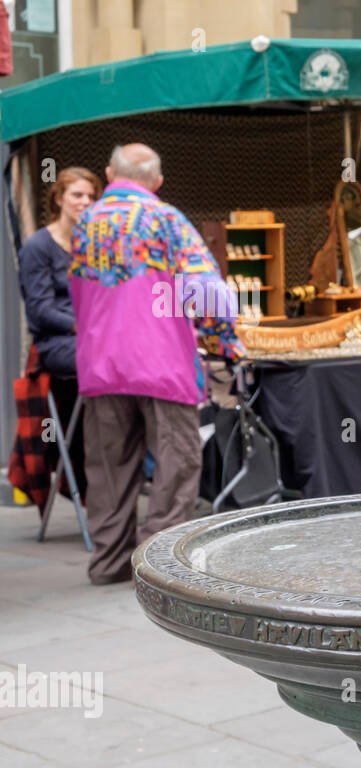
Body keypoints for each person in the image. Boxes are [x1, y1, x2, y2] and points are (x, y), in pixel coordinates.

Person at [69, 143, 244, 584]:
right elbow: (205, 290)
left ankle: (108, 563)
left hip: (101, 363)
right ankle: (158, 570)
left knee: (109, 469)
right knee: (177, 462)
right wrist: (226, 339)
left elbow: (78, 292)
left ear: (109, 174)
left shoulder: (86, 222)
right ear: (158, 182)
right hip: (161, 362)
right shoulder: (166, 219)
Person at [8, 167, 101, 507]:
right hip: (56, 341)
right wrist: (83, 326)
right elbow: (39, 311)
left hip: (93, 335)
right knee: (105, 359)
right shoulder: (38, 246)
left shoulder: (92, 245)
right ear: (59, 198)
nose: (85, 202)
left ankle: (120, 457)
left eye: (91, 196)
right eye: (78, 195)